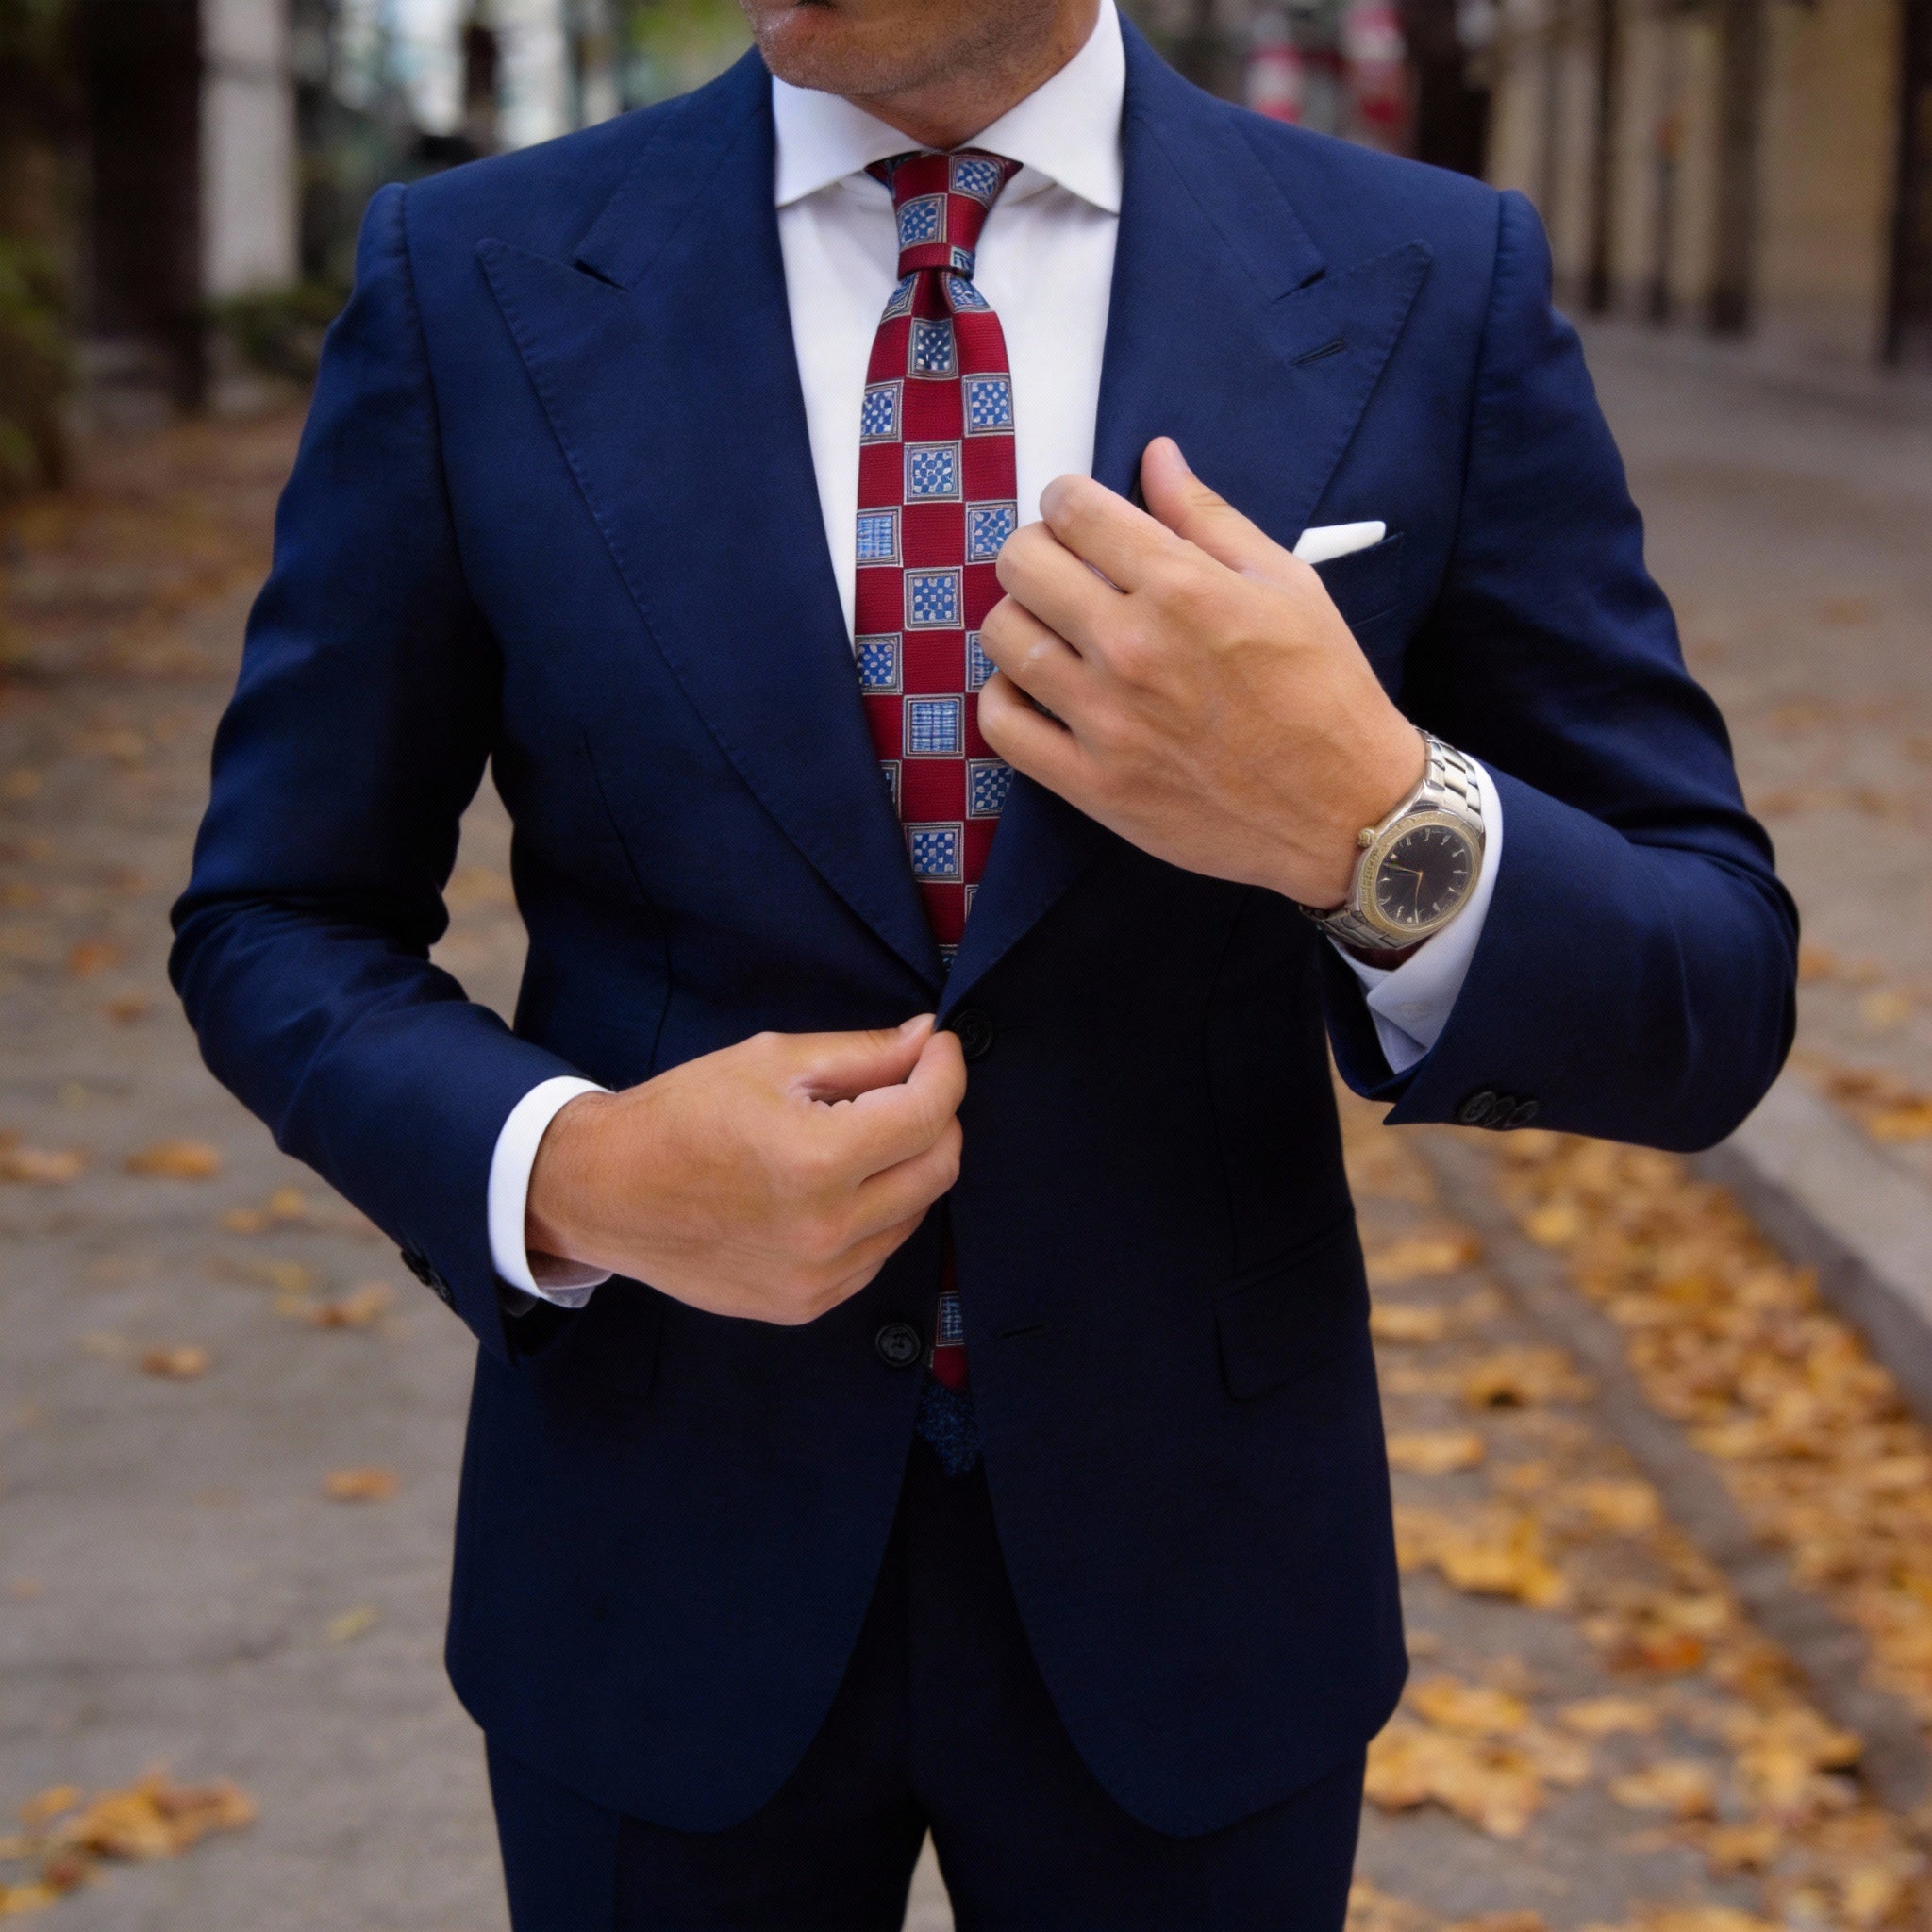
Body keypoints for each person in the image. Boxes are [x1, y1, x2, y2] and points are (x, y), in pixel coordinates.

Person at [170, 0, 1797, 1920]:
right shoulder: (474, 275)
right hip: (658, 1563)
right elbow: (276, 913)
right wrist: (573, 1172)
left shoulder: (1426, 278)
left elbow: (1709, 989)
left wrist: (1367, 822)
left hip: (1199, 1593)